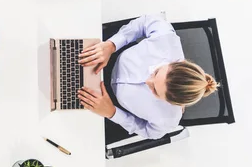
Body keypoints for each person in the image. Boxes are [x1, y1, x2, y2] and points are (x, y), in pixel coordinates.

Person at [75, 14, 219, 140]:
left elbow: (149, 132)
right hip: (108, 56)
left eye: (155, 90)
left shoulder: (168, 119)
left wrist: (112, 112)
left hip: (106, 102)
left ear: (172, 103)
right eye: (156, 72)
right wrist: (111, 45)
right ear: (175, 62)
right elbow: (146, 21)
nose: (147, 81)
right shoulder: (166, 39)